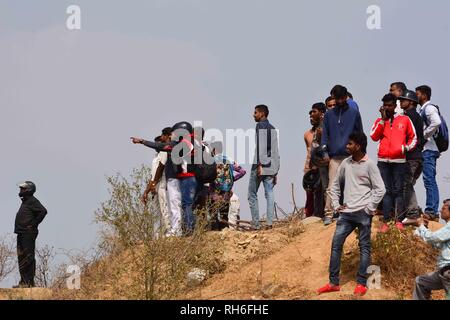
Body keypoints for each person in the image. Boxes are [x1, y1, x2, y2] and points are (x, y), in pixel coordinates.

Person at [317, 133, 386, 296]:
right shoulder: (345, 164)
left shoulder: (370, 165)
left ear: (358, 146)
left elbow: (380, 188)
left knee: (364, 248)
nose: (346, 146)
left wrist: (370, 208)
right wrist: (336, 205)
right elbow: (334, 186)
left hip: (363, 212)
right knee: (336, 245)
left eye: (350, 144)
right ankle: (333, 282)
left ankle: (362, 283)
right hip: (346, 213)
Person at [131, 121, 200, 236]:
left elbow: (163, 147)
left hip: (186, 178)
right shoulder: (193, 142)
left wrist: (143, 141)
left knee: (180, 204)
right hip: (188, 178)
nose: (173, 135)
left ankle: (182, 231)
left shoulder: (184, 144)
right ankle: (186, 230)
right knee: (184, 204)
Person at [370, 93, 417, 233]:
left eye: (390, 105)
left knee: (398, 191)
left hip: (399, 161)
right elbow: (373, 136)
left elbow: (413, 138)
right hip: (383, 161)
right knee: (386, 191)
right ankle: (386, 221)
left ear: (395, 105)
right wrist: (383, 121)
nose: (387, 107)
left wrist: (404, 148)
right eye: (385, 105)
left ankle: (398, 221)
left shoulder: (405, 119)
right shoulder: (380, 120)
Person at [321, 85, 364, 225]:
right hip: (334, 156)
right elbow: (325, 135)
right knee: (332, 185)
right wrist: (325, 151)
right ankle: (328, 212)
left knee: (351, 185)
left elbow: (360, 133)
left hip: (350, 156)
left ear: (346, 97)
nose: (338, 101)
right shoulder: (328, 115)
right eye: (336, 98)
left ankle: (348, 212)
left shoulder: (354, 113)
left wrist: (361, 153)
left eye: (340, 98)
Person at [248, 105, 280, 230]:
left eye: (255, 112)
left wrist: (260, 164)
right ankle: (269, 223)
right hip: (271, 165)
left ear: (262, 114)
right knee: (269, 193)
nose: (253, 114)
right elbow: (276, 151)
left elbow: (261, 146)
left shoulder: (260, 125)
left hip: (260, 165)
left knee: (251, 194)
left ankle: (255, 224)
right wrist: (276, 170)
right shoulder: (272, 128)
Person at [413, 199, 450, 300]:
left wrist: (421, 226)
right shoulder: (446, 228)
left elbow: (431, 238)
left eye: (444, 208)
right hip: (443, 272)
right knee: (420, 281)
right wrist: (423, 228)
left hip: (448, 272)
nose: (440, 211)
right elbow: (437, 244)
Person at [14, 181, 48, 288]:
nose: (21, 191)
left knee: (28, 256)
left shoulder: (32, 201)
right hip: (21, 232)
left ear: (29, 190)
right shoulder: (25, 201)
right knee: (21, 256)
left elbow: (43, 211)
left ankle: (29, 282)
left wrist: (33, 224)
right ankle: (23, 281)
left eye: (23, 189)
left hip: (28, 233)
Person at [399, 91, 425, 223]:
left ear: (412, 102)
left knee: (406, 185)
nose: (401, 102)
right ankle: (409, 211)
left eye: (404, 100)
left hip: (411, 157)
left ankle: (412, 213)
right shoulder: (417, 117)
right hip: (418, 157)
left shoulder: (408, 116)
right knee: (407, 185)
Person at [417, 85, 442, 221]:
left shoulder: (429, 108)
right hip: (427, 149)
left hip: (429, 149)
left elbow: (436, 122)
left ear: (424, 95)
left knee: (429, 180)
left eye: (418, 94)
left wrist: (424, 136)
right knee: (428, 179)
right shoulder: (422, 109)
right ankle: (431, 210)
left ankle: (431, 211)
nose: (416, 96)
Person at [209, 142, 246, 230]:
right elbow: (242, 171)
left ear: (214, 150)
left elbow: (208, 175)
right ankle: (224, 235)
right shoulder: (229, 159)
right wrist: (232, 179)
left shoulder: (211, 160)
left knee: (213, 215)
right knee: (224, 215)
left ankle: (214, 235)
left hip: (215, 191)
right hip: (226, 192)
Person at [142, 135, 171, 236]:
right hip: (154, 186)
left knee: (164, 208)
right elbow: (152, 176)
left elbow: (161, 168)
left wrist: (154, 183)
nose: (156, 146)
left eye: (157, 143)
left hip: (162, 184)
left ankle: (169, 230)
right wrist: (146, 191)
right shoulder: (155, 157)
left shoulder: (164, 152)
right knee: (156, 211)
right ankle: (157, 234)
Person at [304, 103, 327, 218]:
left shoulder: (325, 130)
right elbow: (309, 151)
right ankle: (311, 217)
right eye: (310, 114)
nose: (311, 116)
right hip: (310, 167)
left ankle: (322, 214)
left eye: (314, 112)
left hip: (323, 165)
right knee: (310, 194)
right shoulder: (307, 134)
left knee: (323, 190)